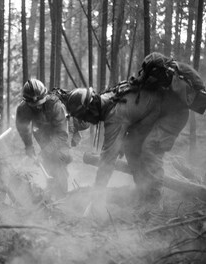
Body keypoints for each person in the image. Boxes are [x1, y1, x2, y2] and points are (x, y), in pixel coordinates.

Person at [64, 54, 195, 215]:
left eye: (85, 117)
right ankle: (143, 193)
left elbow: (107, 161)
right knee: (131, 147)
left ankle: (154, 203)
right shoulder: (109, 98)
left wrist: (97, 197)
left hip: (174, 113)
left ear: (90, 108)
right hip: (158, 113)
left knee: (150, 149)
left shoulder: (115, 114)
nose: (87, 121)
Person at [16, 79, 72, 199]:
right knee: (48, 163)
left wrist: (44, 152)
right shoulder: (23, 109)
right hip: (42, 134)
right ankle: (51, 192)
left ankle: (62, 197)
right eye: (34, 105)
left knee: (59, 160)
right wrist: (29, 146)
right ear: (27, 102)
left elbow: (63, 135)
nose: (38, 106)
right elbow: (23, 128)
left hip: (60, 134)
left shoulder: (56, 106)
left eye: (40, 103)